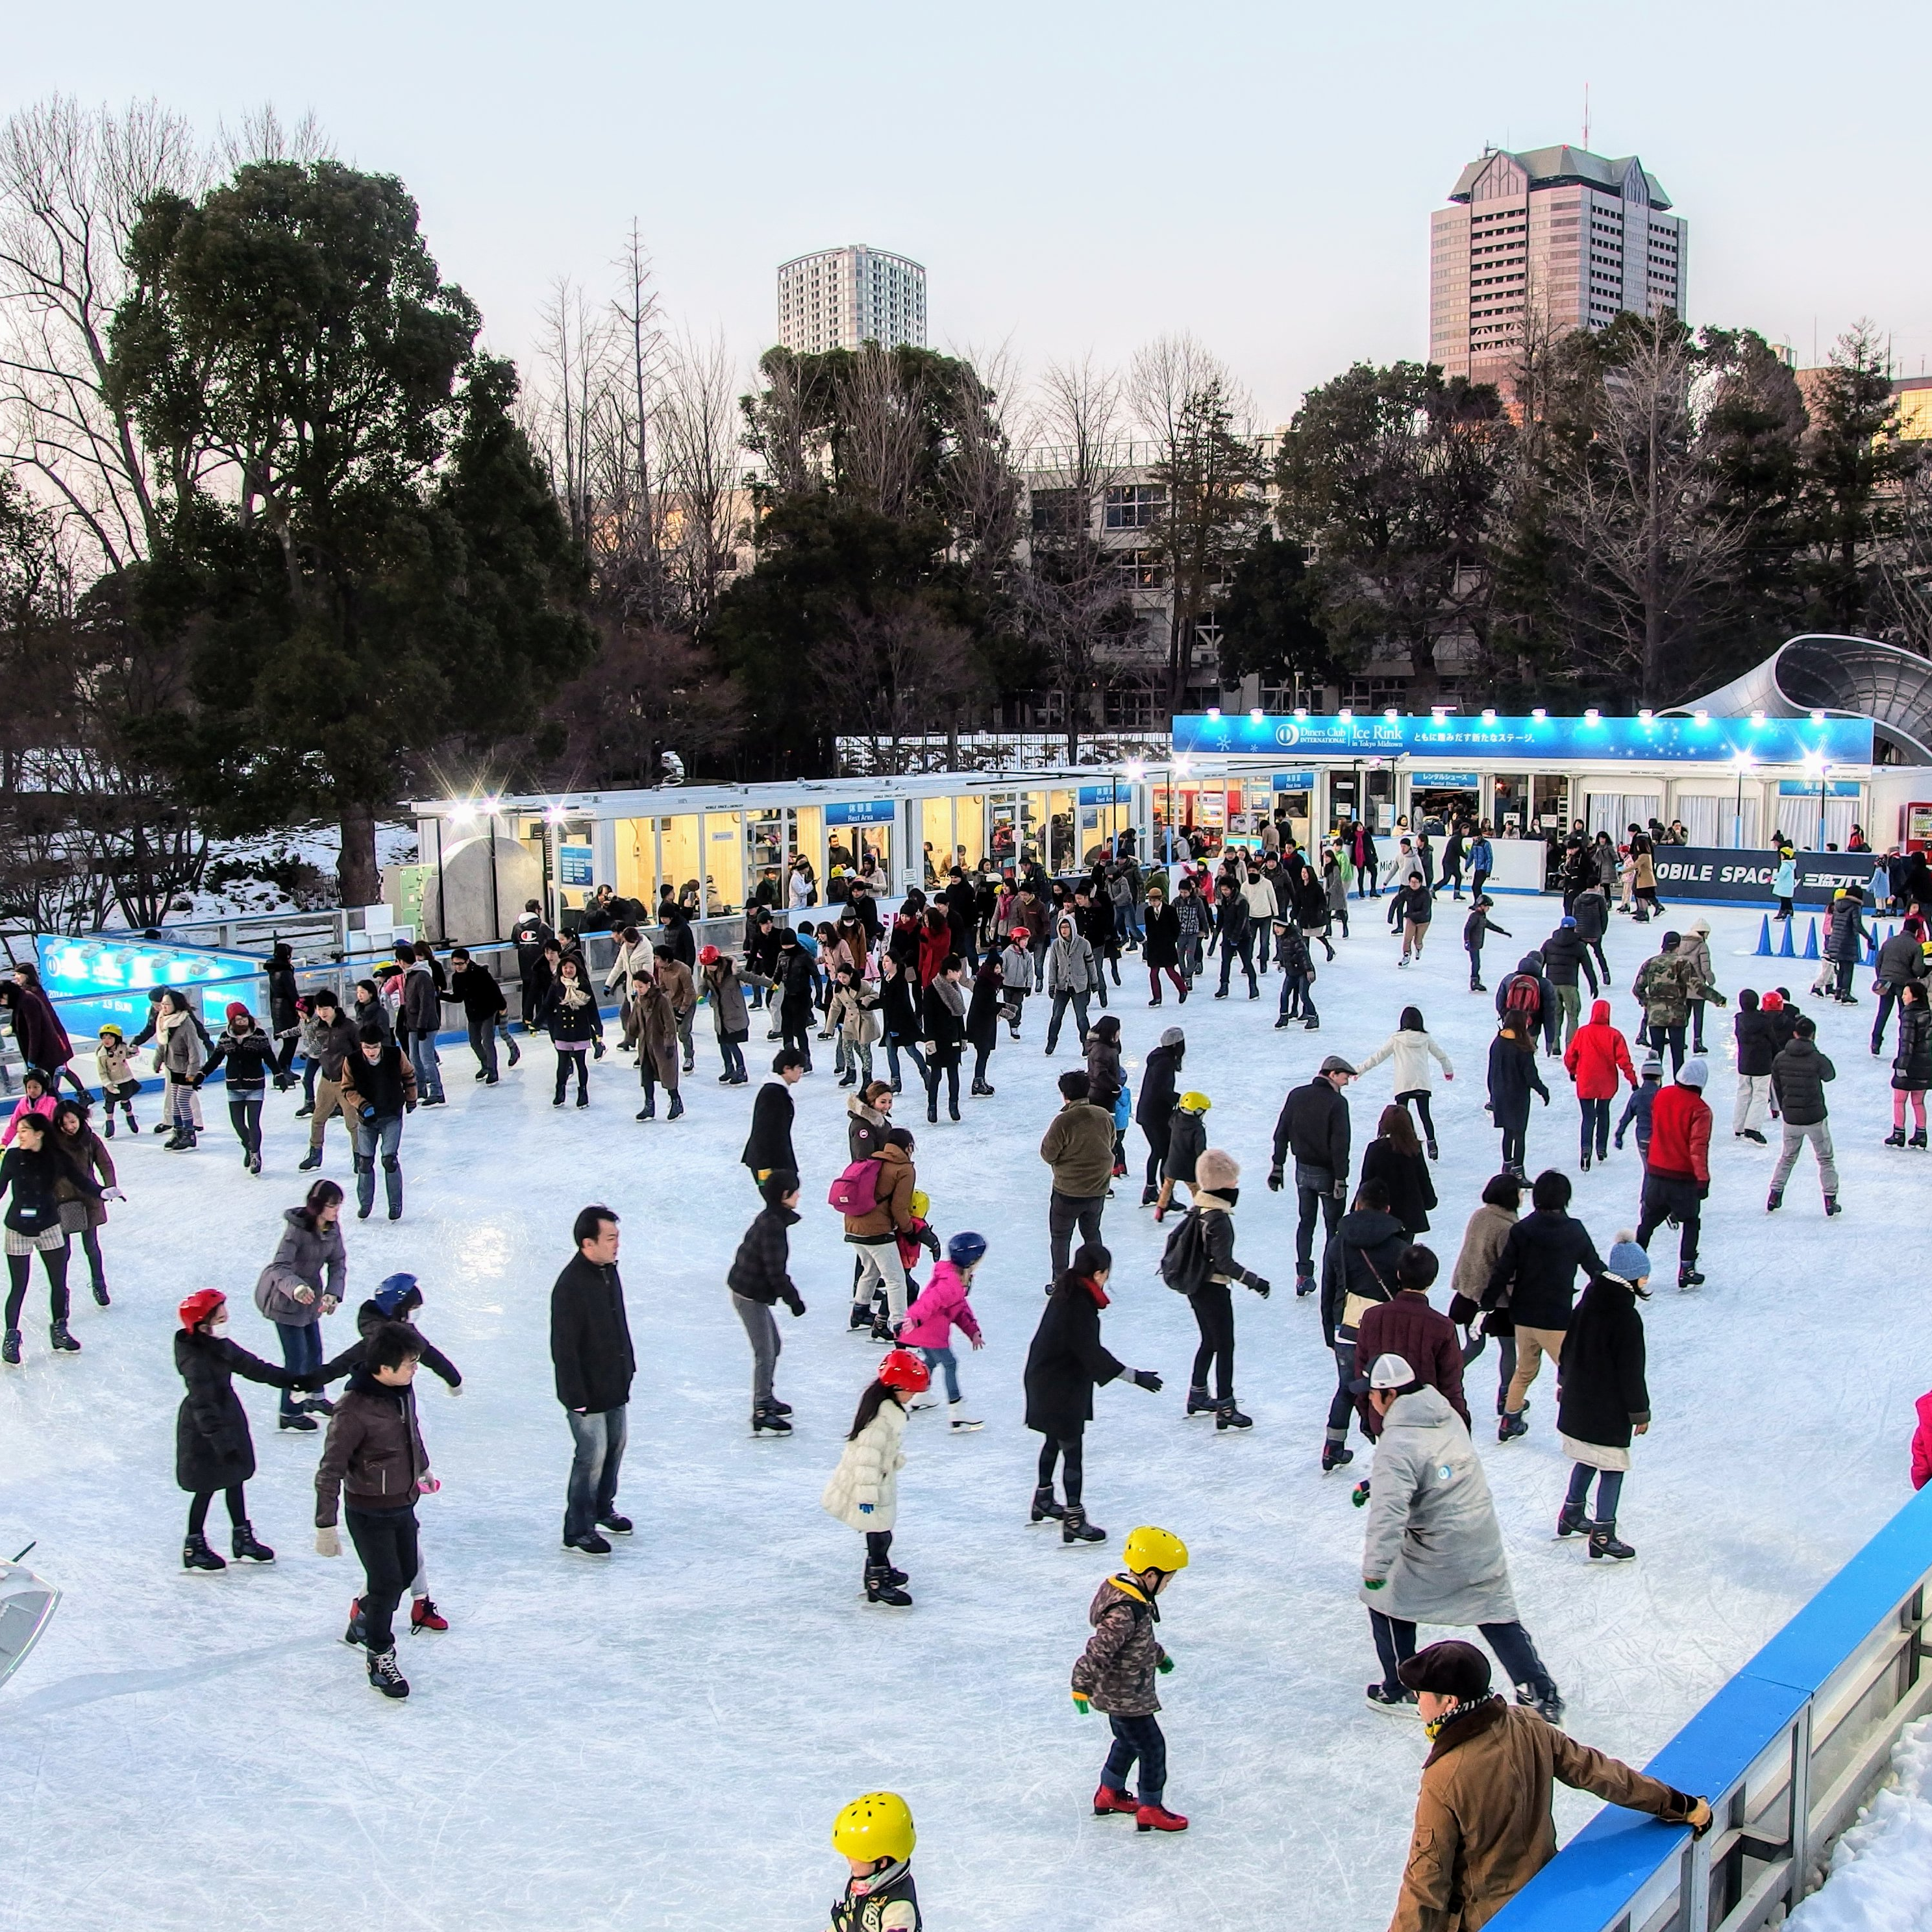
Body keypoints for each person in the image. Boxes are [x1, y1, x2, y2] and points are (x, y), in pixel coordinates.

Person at [1383, 1639, 1711, 1932]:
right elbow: (1599, 1773)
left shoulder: (1444, 1777)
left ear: (1449, 1702)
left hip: (1486, 1917)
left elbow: (1426, 1881)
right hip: (1541, 1889)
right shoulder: (1527, 1724)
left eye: (1421, 1694)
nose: (1417, 1701)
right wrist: (1679, 1804)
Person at [1359, 1355, 1565, 1722]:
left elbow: (1390, 1512)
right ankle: (1539, 1690)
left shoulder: (1398, 1438)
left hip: (1437, 1544)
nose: (1370, 1402)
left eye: (1373, 1395)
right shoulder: (1445, 1414)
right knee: (1493, 1609)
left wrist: (1376, 1568)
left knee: (1386, 1599)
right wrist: (1375, 1482)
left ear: (1388, 1395)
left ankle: (1400, 1687)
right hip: (1478, 1531)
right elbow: (1437, 1468)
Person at [314, 1320, 435, 1700]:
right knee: (385, 1584)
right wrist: (326, 1526)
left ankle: (365, 1620)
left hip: (403, 1501)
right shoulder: (352, 1410)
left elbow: (411, 1433)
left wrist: (423, 1468)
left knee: (405, 1574)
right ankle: (380, 1654)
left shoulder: (402, 1391)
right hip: (368, 1511)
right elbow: (330, 1470)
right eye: (409, 1364)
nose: (416, 1369)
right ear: (384, 1368)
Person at [1024, 1243, 1162, 1542]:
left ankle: (1044, 1500)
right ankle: (1074, 1519)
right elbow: (1091, 1353)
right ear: (1099, 1273)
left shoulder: (1069, 1290)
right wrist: (1135, 1377)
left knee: (1053, 1439)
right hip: (1059, 1385)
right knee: (1072, 1450)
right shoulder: (1079, 1304)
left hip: (1047, 1377)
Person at [1071, 1525, 1192, 1835]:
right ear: (1151, 1575)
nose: (1169, 1584)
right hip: (1125, 1696)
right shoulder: (1126, 1610)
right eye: (1169, 1577)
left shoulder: (1131, 1596)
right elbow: (1101, 1648)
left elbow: (1138, 1644)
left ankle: (1108, 1793)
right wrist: (1081, 1684)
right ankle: (1151, 1808)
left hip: (1123, 1692)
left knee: (1127, 1742)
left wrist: (1158, 1656)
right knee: (1153, 1748)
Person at [173, 1289, 304, 1571]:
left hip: (228, 1416)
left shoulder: (219, 1345)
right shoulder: (195, 1360)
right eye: (220, 1318)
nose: (226, 1321)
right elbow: (202, 1405)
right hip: (203, 1429)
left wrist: (291, 1380)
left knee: (235, 1478)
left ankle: (242, 1537)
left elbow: (253, 1367)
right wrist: (222, 1443)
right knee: (206, 1486)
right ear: (202, 1324)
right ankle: (193, 1545)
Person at [1485, 1168, 1604, 1443]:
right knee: (1574, 1372)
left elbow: (1503, 1270)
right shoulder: (1574, 1231)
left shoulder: (1522, 1230)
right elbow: (1594, 1267)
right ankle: (1580, 1431)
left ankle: (1510, 1420)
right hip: (1555, 1318)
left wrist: (1487, 1302)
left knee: (1525, 1370)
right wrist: (1616, 1290)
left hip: (1524, 1316)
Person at [1557, 1237, 1652, 1561]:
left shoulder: (1588, 1302)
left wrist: (1562, 1383)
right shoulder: (1625, 1317)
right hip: (1606, 1408)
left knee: (1587, 1455)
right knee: (1612, 1464)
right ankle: (1602, 1533)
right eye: (1644, 1275)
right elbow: (1631, 1372)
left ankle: (1571, 1512)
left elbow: (1568, 1346)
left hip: (1578, 1400)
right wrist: (1640, 1413)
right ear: (1632, 1277)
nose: (1647, 1281)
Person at [1162, 1147, 1269, 1430]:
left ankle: (1198, 1394)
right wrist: (1254, 1281)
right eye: (1233, 1181)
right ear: (1222, 1184)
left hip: (1196, 1286)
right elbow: (1223, 1262)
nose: (1236, 1186)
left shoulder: (1199, 1208)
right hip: (1212, 1288)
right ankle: (1226, 1407)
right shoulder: (1218, 1219)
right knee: (1225, 1346)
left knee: (1210, 1340)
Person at [550, 1205, 636, 1557]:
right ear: (588, 1243)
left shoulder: (608, 1272)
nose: (617, 1245)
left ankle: (602, 1509)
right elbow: (564, 1348)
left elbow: (618, 1323)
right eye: (611, 1238)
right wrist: (575, 1396)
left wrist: (628, 1366)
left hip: (613, 1381)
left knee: (615, 1446)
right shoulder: (570, 1286)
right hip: (585, 1392)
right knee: (591, 1455)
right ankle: (578, 1529)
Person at [821, 1347, 931, 1607]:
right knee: (880, 1534)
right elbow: (866, 1461)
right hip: (867, 1486)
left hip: (878, 1481)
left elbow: (881, 1454)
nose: (913, 1396)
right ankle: (876, 1581)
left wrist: (894, 1461)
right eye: (911, 1390)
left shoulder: (886, 1410)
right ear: (895, 1387)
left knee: (882, 1532)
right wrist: (867, 1496)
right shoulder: (879, 1420)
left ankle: (880, 1572)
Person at [1318, 1175, 1407, 1472]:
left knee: (1346, 1387)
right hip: (1385, 1329)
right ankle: (1384, 1444)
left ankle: (1333, 1446)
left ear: (1357, 1204)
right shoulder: (1399, 1247)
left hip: (1347, 1326)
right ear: (1388, 1209)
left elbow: (1328, 1289)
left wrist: (1329, 1332)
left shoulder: (1338, 1243)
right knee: (1388, 1386)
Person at [256, 1177, 347, 1431]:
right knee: (296, 1358)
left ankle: (314, 1398)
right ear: (317, 1206)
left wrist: (332, 1293)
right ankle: (290, 1411)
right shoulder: (296, 1230)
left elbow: (338, 1262)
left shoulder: (332, 1229)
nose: (336, 1211)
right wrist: (296, 1288)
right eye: (332, 1206)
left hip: (310, 1301)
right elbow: (279, 1267)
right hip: (284, 1301)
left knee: (315, 1351)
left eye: (339, 1205)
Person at [1, 1109, 91, 1361]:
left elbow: (80, 1180)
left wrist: (103, 1192)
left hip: (50, 1225)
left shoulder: (56, 1157)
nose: (19, 1136)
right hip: (18, 1228)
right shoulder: (11, 1158)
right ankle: (11, 1338)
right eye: (18, 1131)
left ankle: (59, 1330)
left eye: (24, 1131)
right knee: (19, 1285)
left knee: (58, 1280)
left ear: (39, 1133)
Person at [1269, 1055, 1357, 1298]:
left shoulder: (1296, 1095)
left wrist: (1277, 1167)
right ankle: (1334, 1277)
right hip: (1328, 1175)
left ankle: (1303, 1276)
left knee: (1306, 1223)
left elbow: (1281, 1133)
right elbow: (1341, 1144)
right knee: (1333, 1228)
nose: (1347, 1082)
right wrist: (1341, 1178)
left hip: (1302, 1172)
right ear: (1332, 1074)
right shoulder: (1337, 1103)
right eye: (1345, 1077)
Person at [727, 1169, 806, 1437]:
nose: (799, 1195)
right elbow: (775, 1272)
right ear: (785, 1195)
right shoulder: (773, 1226)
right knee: (766, 1352)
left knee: (775, 1346)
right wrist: (794, 1300)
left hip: (751, 1291)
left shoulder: (773, 1219)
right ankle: (761, 1410)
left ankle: (767, 1396)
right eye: (795, 1190)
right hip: (748, 1294)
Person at [1354, 1244, 1467, 1431]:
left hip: (1383, 1418)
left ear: (1399, 1274)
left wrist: (1368, 1416)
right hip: (1427, 1424)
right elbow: (1451, 1385)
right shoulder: (1443, 1327)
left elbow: (1362, 1370)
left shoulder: (1372, 1317)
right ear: (1432, 1280)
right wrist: (1461, 1428)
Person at [1448, 1174, 1522, 1419]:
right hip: (1495, 1300)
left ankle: (1445, 1381)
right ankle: (1506, 1397)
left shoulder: (1479, 1216)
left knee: (1474, 1345)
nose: (1523, 1196)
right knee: (1508, 1348)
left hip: (1469, 1292)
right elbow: (1507, 1269)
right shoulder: (1507, 1229)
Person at [897, 1229, 986, 1433]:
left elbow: (960, 1310)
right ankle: (957, 1414)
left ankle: (919, 1395)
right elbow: (930, 1301)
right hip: (929, 1332)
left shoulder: (957, 1278)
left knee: (932, 1361)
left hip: (927, 1331)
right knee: (950, 1364)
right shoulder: (951, 1284)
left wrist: (972, 1330)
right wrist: (914, 1318)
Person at [1635, 1059, 1712, 1289]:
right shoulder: (1701, 1109)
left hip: (1657, 1172)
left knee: (1647, 1223)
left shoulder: (1662, 1095)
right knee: (1690, 1221)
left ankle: (1634, 1268)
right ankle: (1686, 1268)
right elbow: (1698, 1148)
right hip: (1682, 1178)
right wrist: (1703, 1180)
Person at [1040, 1069, 1115, 1282]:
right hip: (1097, 1189)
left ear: (1065, 1095)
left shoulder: (1063, 1121)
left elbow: (1048, 1154)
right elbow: (1111, 1143)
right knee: (1092, 1234)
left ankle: (1060, 1280)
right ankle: (1098, 1275)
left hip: (1068, 1191)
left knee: (1061, 1237)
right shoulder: (1103, 1115)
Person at [844, 1124, 919, 1334]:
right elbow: (899, 1207)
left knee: (871, 1269)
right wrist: (909, 1230)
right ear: (908, 1147)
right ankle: (900, 1325)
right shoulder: (904, 1169)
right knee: (896, 1279)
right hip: (876, 1231)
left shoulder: (873, 1160)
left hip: (852, 1225)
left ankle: (859, 1311)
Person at [339, 1022, 417, 1222]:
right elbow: (347, 1088)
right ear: (361, 1046)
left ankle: (395, 1204)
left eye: (374, 1047)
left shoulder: (395, 1055)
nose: (371, 1052)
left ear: (380, 1045)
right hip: (366, 1120)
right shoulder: (352, 1061)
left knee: (389, 1160)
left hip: (391, 1114)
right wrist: (363, 1105)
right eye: (367, 1048)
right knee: (365, 1162)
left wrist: (411, 1098)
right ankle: (365, 1204)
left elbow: (409, 1075)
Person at [1354, 1006, 1454, 1160]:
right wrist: (1448, 1071)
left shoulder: (1397, 1039)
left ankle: (1406, 1144)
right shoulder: (1425, 1038)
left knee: (1402, 1117)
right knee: (1425, 1115)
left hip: (1403, 1084)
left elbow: (1378, 1057)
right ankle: (1432, 1144)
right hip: (1422, 1083)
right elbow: (1442, 1056)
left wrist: (1359, 1070)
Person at [48, 1098, 118, 1309]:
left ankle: (99, 1283)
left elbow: (105, 1163)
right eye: (64, 1123)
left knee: (91, 1246)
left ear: (80, 1118)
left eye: (73, 1121)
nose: (70, 1127)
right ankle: (62, 1292)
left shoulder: (90, 1139)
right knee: (64, 1251)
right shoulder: (53, 1143)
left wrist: (110, 1186)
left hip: (88, 1199)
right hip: (64, 1200)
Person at [1767, 1016, 1840, 1216]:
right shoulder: (1816, 1058)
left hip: (1791, 1117)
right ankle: (1830, 1199)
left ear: (1795, 1034)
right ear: (1813, 1036)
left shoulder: (1781, 1058)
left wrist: (1784, 1108)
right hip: (1815, 1116)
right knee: (1825, 1159)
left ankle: (1775, 1194)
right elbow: (1830, 1075)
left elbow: (1777, 1086)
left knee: (1787, 1157)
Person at [827, 1792, 922, 1931]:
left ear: (881, 1862)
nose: (848, 1859)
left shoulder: (898, 1909)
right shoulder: (864, 1883)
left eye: (855, 1855)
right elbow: (849, 1919)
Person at [199, 1002, 275, 1173]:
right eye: (238, 1019)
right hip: (234, 1086)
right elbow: (216, 1059)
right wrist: (202, 1075)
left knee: (253, 1122)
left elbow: (268, 1056)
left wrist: (279, 1074)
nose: (242, 1022)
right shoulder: (225, 1037)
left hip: (255, 1084)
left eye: (244, 1018)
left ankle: (256, 1155)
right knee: (238, 1124)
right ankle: (248, 1145)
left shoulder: (259, 1035)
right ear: (231, 1021)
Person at [1563, 998, 1637, 1170]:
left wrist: (1573, 1071)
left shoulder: (1582, 1033)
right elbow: (1624, 1061)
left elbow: (1570, 1056)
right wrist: (1633, 1081)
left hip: (1586, 1081)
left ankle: (1586, 1149)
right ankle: (1601, 1148)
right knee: (1603, 1113)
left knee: (1588, 1117)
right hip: (1607, 1082)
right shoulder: (1614, 1035)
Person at [298, 990, 360, 1170]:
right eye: (319, 1009)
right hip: (327, 1080)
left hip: (347, 1082)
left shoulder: (349, 1027)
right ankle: (315, 1154)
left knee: (353, 1123)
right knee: (318, 1119)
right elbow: (317, 1050)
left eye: (325, 1008)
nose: (322, 1012)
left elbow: (359, 1052)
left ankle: (359, 1156)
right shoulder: (317, 1027)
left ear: (334, 1008)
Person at [1485, 1015, 1548, 1177]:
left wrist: (1492, 1094)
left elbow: (1491, 1071)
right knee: (1519, 1134)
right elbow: (1530, 1075)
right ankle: (1518, 1172)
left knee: (1508, 1132)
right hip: (1518, 1097)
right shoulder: (1522, 1046)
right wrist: (1543, 1091)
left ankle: (1507, 1168)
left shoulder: (1497, 1043)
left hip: (1500, 1095)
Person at [538, 954, 603, 1108]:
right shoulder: (556, 986)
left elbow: (592, 1009)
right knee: (562, 1064)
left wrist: (598, 1030)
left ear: (577, 969)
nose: (568, 970)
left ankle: (583, 1092)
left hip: (580, 1030)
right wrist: (535, 1023)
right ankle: (560, 1092)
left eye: (571, 968)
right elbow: (547, 1007)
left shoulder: (584, 985)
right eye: (565, 968)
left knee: (581, 1063)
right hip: (562, 1031)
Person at [633, 948, 691, 1122]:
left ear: (649, 985)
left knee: (668, 1076)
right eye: (636, 987)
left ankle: (676, 1102)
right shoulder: (638, 1000)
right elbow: (635, 1021)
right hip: (646, 1045)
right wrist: (630, 1037)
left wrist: (669, 1043)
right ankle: (649, 1106)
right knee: (647, 1076)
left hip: (661, 1045)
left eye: (641, 987)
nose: (638, 990)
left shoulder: (662, 1000)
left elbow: (670, 1024)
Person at [1631, 930, 1702, 1075]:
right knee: (1678, 1054)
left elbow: (1637, 989)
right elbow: (1696, 986)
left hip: (1656, 1016)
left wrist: (1650, 1004)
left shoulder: (1650, 963)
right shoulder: (1683, 964)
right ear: (1678, 946)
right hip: (1677, 1016)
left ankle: (1654, 1088)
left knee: (1656, 1053)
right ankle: (1679, 1089)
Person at [1361, 1104, 1437, 1235]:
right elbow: (1423, 1178)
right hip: (1408, 1219)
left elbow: (1367, 1180)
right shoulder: (1413, 1149)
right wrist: (1430, 1200)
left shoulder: (1375, 1149)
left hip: (1380, 1215)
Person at [444, 947, 514, 1084]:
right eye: (454, 964)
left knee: (488, 1041)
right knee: (474, 1042)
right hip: (472, 1014)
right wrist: (440, 995)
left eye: (460, 964)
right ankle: (485, 1065)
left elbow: (494, 989)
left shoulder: (480, 972)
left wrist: (502, 1006)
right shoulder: (456, 977)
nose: (457, 967)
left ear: (467, 961)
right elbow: (458, 998)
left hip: (488, 1011)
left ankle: (493, 1071)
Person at [1135, 1026, 1186, 1206]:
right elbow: (1162, 1090)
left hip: (1149, 1113)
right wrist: (1181, 1100)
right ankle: (1165, 1196)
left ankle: (1151, 1190)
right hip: (1156, 1115)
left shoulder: (1159, 1058)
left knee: (1158, 1151)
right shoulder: (1165, 1062)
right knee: (1164, 1153)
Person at [741, 1048, 806, 1185]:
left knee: (781, 1202)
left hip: (776, 1162)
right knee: (777, 1201)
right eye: (799, 1067)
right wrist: (765, 1169)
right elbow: (763, 1131)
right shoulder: (772, 1094)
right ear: (787, 1069)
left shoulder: (778, 1091)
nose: (801, 1071)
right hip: (768, 1165)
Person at [153, 987, 206, 1150]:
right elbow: (162, 1044)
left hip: (186, 1069)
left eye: (167, 1004)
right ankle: (178, 1131)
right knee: (175, 1101)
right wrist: (157, 1062)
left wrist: (192, 1073)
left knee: (182, 1101)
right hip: (173, 1066)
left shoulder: (185, 1022)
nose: (164, 1007)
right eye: (163, 1004)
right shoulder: (164, 1021)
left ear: (176, 1004)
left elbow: (194, 1050)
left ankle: (189, 1134)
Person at [397, 942, 447, 1106]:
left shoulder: (422, 976)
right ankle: (420, 1089)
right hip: (412, 1024)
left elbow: (427, 1003)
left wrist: (422, 1026)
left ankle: (437, 1091)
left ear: (402, 961)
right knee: (414, 1058)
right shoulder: (410, 975)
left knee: (427, 1059)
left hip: (425, 1025)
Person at [920, 956, 967, 1125]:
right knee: (936, 1076)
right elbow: (929, 1017)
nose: (960, 973)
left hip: (953, 1037)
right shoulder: (932, 991)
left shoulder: (955, 988)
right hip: (938, 1039)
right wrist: (929, 1040)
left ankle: (953, 1106)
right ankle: (932, 1106)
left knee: (953, 1074)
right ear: (949, 972)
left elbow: (958, 1015)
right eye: (957, 971)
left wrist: (963, 1037)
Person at [1541, 915, 1599, 1046]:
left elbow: (1539, 963)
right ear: (1574, 928)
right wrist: (1593, 985)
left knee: (1555, 1015)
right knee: (1573, 1016)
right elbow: (1588, 967)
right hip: (1570, 985)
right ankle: (1571, 1045)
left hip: (1551, 986)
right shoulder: (1579, 946)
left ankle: (1554, 1046)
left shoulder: (1549, 944)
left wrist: (1538, 984)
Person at [1887, 980, 1932, 1148]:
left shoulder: (1909, 1015)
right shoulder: (1929, 1014)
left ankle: (1899, 1132)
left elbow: (1907, 1044)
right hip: (1926, 1065)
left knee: (1899, 1100)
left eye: (1906, 994)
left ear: (1914, 997)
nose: (1903, 997)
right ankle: (1921, 1133)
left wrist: (1901, 1066)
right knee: (1918, 1101)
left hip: (1910, 1065)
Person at [1154, 1089, 1209, 1221]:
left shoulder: (1176, 1120)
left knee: (1167, 1186)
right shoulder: (1198, 1129)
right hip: (1188, 1166)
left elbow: (1171, 1121)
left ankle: (1160, 1209)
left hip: (1173, 1162)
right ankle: (1200, 1209)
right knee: (1195, 1188)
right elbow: (1200, 1150)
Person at [700, 947, 751, 1086]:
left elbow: (751, 977)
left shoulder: (732, 971)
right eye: (707, 966)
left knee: (731, 1043)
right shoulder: (707, 972)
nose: (709, 968)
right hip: (720, 1014)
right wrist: (701, 995)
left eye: (711, 965)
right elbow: (703, 985)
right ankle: (729, 1068)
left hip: (733, 1013)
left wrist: (771, 984)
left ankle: (741, 1070)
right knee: (723, 1043)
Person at [1731, 987, 1777, 1145]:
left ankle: (1739, 1126)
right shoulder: (1764, 1021)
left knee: (1743, 1093)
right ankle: (1752, 1129)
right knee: (1760, 1095)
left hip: (1744, 1063)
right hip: (1762, 1065)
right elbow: (1773, 1041)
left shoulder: (1739, 1020)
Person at [1825, 886, 1872, 1004]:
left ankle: (1838, 992)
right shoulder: (1855, 906)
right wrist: (1869, 938)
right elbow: (1857, 925)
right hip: (1847, 941)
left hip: (1835, 940)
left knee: (1841, 967)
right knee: (1848, 968)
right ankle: (1846, 994)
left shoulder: (1838, 905)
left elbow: (1833, 923)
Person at [1141, 882, 1185, 1005]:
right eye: (1151, 900)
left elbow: (1176, 927)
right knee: (1153, 973)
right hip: (1154, 947)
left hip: (1167, 946)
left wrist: (1171, 941)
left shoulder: (1170, 910)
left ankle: (1183, 990)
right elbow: (1149, 929)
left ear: (1161, 899)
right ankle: (1157, 997)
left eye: (1155, 900)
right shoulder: (1148, 912)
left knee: (1170, 970)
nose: (1153, 903)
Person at [1272, 915, 1319, 1030]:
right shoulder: (1281, 938)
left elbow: (1304, 955)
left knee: (1304, 995)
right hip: (1291, 971)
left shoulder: (1295, 938)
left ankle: (1313, 1017)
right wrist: (1282, 963)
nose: (1276, 929)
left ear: (1285, 927)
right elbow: (1285, 954)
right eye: (1275, 926)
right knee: (1284, 993)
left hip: (1303, 971)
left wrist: (1309, 970)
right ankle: (1283, 1017)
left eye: (1279, 926)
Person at [93, 1024, 141, 1136]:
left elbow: (128, 1054)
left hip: (125, 1079)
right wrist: (109, 1085)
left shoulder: (122, 1048)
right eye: (104, 1038)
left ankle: (130, 1117)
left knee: (126, 1099)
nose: (107, 1041)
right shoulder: (102, 1055)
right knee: (110, 1103)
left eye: (110, 1038)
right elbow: (102, 1072)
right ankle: (110, 1123)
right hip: (112, 1083)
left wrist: (134, 1051)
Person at [1391, 871, 1433, 966]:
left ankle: (1419, 948)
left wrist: (1409, 915)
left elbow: (1425, 912)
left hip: (1424, 920)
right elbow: (1396, 901)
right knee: (1407, 938)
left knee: (1418, 940)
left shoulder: (1426, 894)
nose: (1413, 884)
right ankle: (1406, 955)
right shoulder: (1407, 891)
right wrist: (1391, 915)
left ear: (1420, 883)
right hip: (1411, 919)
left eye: (1416, 882)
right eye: (1412, 882)